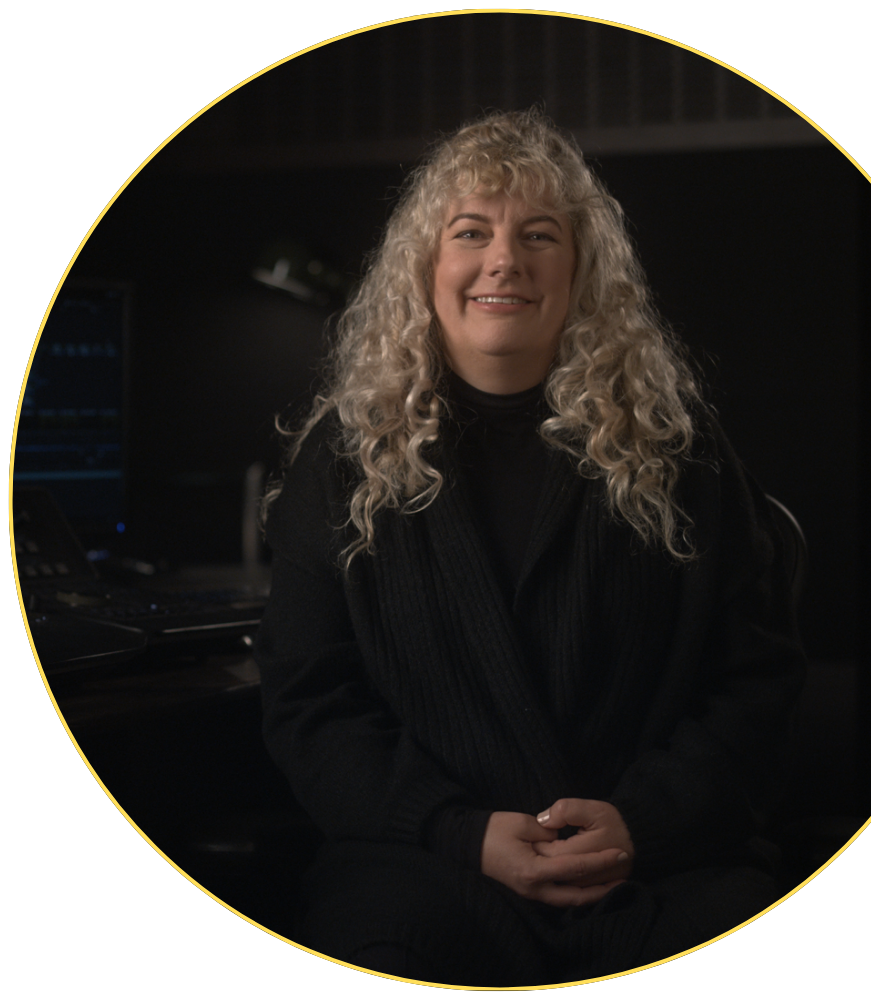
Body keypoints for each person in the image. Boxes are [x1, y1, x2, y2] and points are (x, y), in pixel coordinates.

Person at [254, 109, 805, 985]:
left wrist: (642, 824)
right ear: (426, 269)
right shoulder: (343, 459)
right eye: (471, 232)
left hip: (661, 865)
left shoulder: (678, 449)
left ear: (582, 271)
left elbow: (755, 686)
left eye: (538, 235)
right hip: (423, 867)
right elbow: (310, 707)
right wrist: (456, 831)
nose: (504, 259)